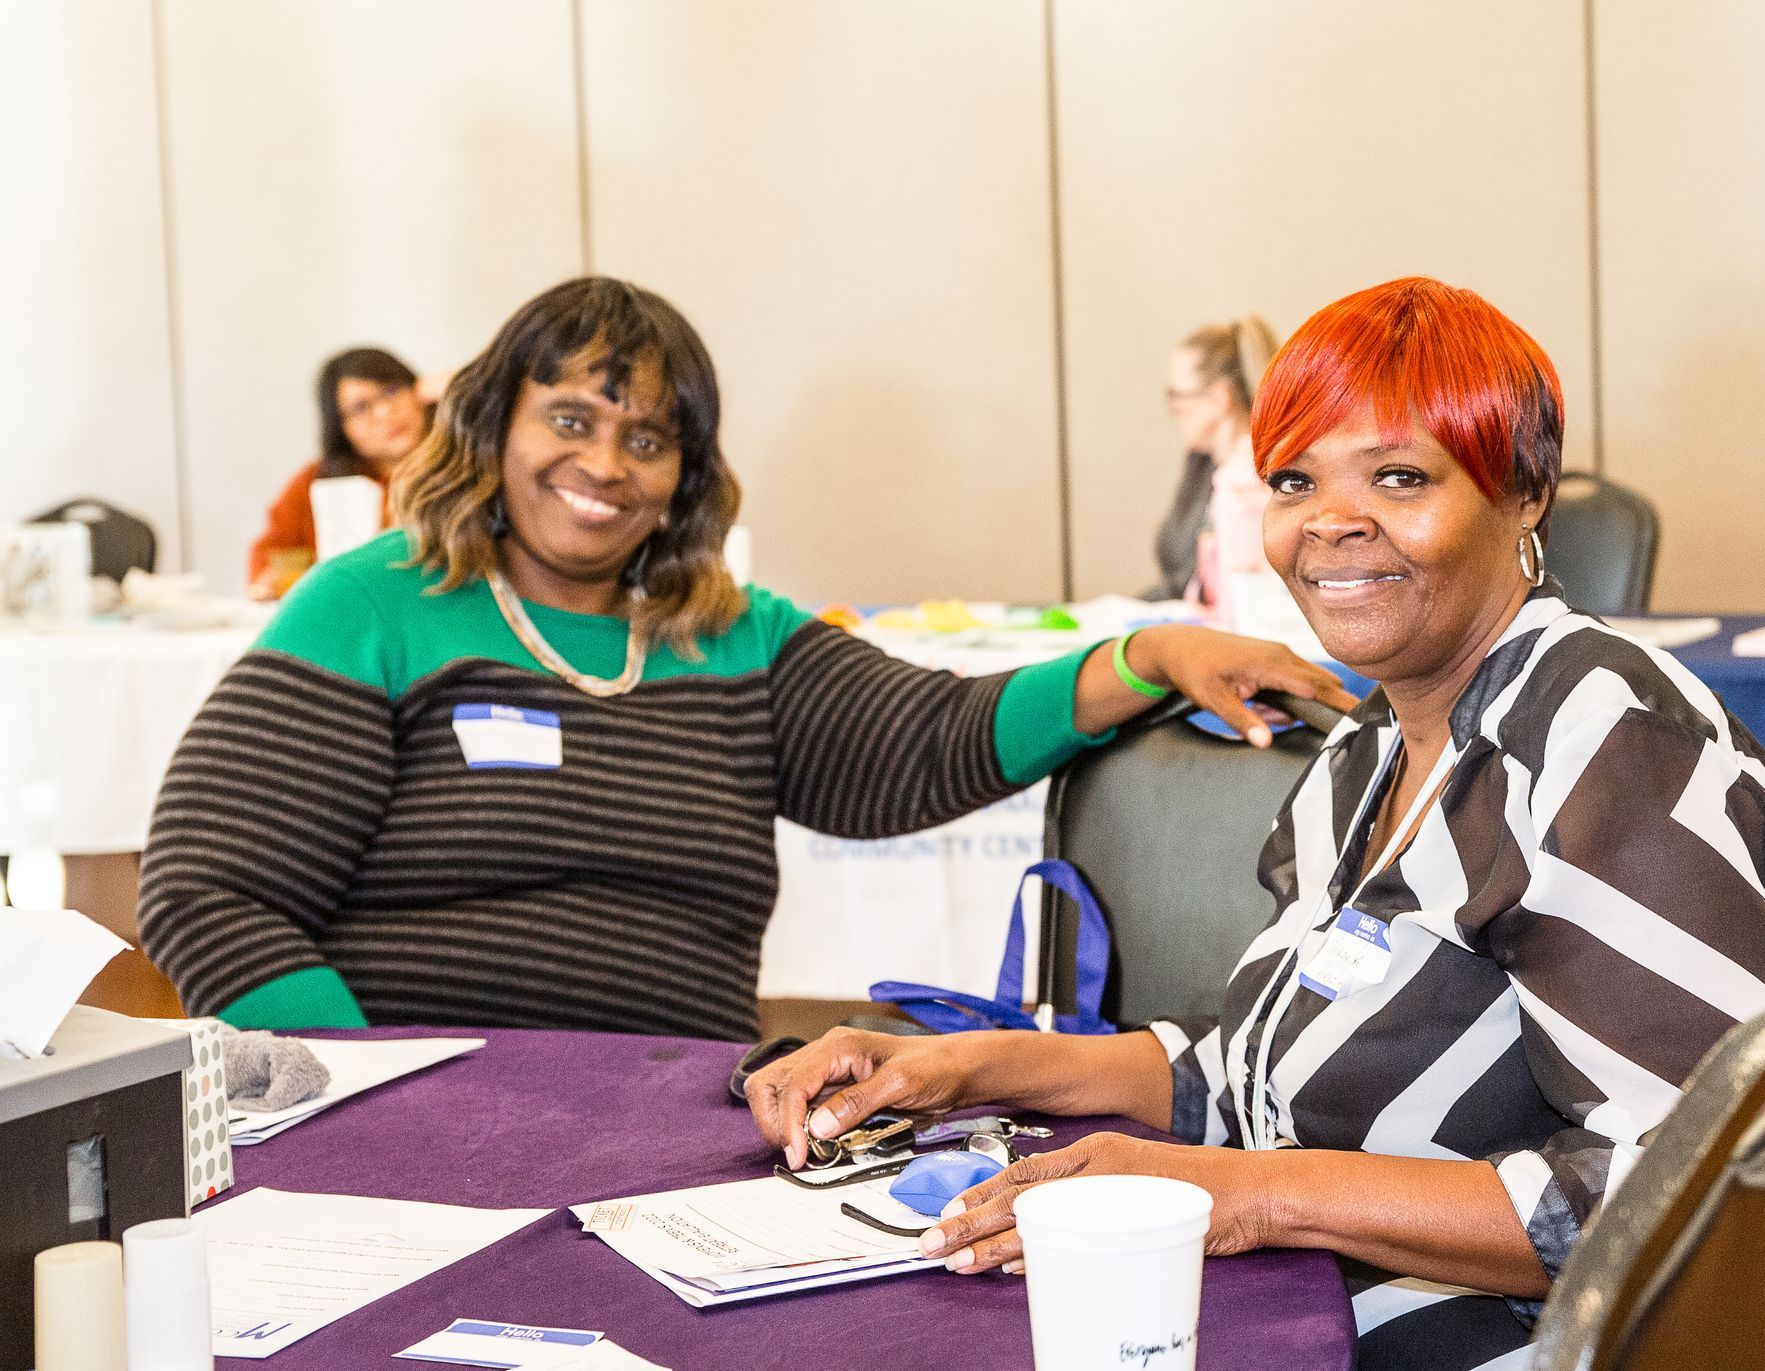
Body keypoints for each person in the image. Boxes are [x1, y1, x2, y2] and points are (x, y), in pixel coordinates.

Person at [746, 277, 1765, 1369]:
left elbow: (1705, 1191)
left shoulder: (1606, 743)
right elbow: (1247, 1078)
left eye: (1400, 477)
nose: (1330, 521)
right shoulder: (1373, 745)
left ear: (1523, 495)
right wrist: (959, 1069)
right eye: (1294, 479)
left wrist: (1255, 1196)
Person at [138, 276, 1352, 1042]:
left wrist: (1147, 656)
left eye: (648, 438)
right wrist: (358, 1098)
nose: (606, 466)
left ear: (687, 474)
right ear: (496, 424)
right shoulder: (377, 601)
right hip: (411, 1129)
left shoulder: (730, 631)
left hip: (666, 1132)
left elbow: (922, 742)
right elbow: (207, 892)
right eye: (571, 420)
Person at [247, 347, 433, 598]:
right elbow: (270, 557)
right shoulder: (317, 482)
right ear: (341, 427)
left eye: (391, 391)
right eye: (361, 407)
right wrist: (272, 582)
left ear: (419, 391)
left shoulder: (466, 465)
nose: (384, 413)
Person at [1144, 315, 1281, 614]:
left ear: (1220, 398)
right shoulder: (1203, 466)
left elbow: (1239, 596)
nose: (1174, 410)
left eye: (1177, 396)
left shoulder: (1250, 481)